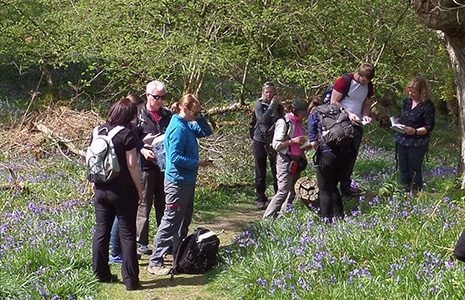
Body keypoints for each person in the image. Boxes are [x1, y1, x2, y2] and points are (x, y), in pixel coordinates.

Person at [147, 94, 213, 275]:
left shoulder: (188, 125)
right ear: (185, 109)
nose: (197, 115)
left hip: (187, 181)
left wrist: (200, 117)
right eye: (195, 111)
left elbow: (207, 132)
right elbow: (174, 158)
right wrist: (198, 163)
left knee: (184, 221)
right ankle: (155, 262)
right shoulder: (178, 128)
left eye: (199, 112)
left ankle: (178, 256)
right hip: (177, 182)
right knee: (170, 221)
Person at [91, 98, 143, 291]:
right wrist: (140, 189)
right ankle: (131, 280)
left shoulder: (98, 131)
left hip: (100, 188)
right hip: (123, 191)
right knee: (127, 234)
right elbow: (132, 164)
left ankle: (100, 274)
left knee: (101, 231)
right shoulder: (127, 133)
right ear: (129, 115)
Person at [135, 80, 173, 255]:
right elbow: (129, 139)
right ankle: (141, 242)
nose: (160, 101)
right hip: (145, 166)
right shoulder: (138, 115)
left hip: (165, 166)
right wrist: (142, 148)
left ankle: (163, 240)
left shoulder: (168, 115)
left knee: (163, 204)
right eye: (156, 97)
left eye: (162, 97)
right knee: (144, 203)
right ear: (147, 95)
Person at [331, 62, 375, 196]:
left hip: (357, 124)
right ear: (359, 74)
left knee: (351, 156)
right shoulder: (343, 81)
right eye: (363, 80)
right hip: (340, 122)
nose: (364, 83)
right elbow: (334, 102)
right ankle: (332, 185)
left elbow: (367, 104)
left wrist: (366, 115)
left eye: (367, 81)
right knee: (337, 155)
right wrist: (348, 114)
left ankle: (346, 187)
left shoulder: (369, 86)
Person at [308, 102, 355, 223]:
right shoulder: (339, 111)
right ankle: (340, 218)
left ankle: (326, 221)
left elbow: (313, 143)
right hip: (345, 155)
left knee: (324, 189)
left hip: (327, 155)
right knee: (334, 186)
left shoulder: (314, 114)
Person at [263, 99, 310, 218]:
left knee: (292, 192)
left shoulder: (299, 123)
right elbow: (276, 144)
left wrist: (306, 145)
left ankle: (282, 217)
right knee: (283, 191)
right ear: (295, 111)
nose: (304, 116)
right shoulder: (283, 122)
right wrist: (293, 141)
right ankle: (267, 218)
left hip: (297, 161)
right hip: (285, 160)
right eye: (303, 113)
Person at [395, 77, 435, 192]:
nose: (410, 93)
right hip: (402, 140)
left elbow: (429, 127)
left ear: (421, 91)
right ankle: (403, 192)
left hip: (417, 143)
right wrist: (396, 122)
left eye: (413, 91)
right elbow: (402, 116)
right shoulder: (407, 102)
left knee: (414, 169)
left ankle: (416, 193)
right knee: (403, 169)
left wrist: (415, 131)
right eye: (409, 91)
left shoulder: (427, 106)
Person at [252, 81, 285, 210]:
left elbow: (282, 122)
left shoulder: (279, 107)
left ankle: (278, 196)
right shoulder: (259, 104)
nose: (269, 94)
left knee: (276, 168)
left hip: (274, 140)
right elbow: (262, 120)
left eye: (271, 92)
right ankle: (260, 198)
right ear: (263, 93)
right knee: (260, 169)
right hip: (259, 139)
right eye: (266, 92)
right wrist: (271, 106)